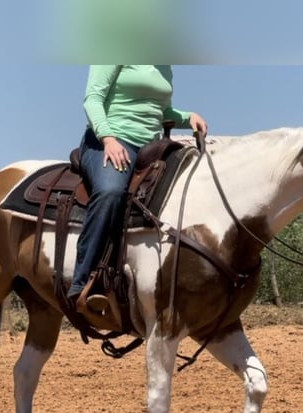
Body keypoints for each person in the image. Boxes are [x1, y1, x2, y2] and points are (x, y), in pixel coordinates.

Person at [68, 65, 208, 311]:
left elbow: (159, 109)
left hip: (150, 147)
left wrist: (187, 117)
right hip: (110, 141)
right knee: (111, 193)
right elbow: (93, 99)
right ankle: (83, 282)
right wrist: (108, 139)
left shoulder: (164, 65)